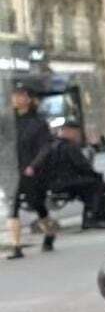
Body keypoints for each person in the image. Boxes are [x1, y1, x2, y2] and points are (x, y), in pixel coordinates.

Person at [5, 85, 60, 259]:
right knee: (13, 206)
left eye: (20, 95)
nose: (16, 99)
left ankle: (49, 231)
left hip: (32, 171)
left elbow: (45, 147)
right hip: (12, 171)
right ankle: (16, 246)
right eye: (14, 95)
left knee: (37, 204)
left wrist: (34, 165)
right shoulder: (8, 122)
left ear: (29, 99)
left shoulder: (38, 123)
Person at [38, 122, 105, 229]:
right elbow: (82, 166)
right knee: (96, 185)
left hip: (56, 182)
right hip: (66, 182)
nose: (78, 137)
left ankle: (94, 216)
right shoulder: (68, 147)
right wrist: (97, 176)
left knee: (92, 183)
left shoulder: (52, 145)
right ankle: (94, 217)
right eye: (76, 133)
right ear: (69, 132)